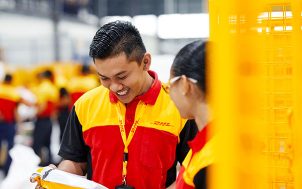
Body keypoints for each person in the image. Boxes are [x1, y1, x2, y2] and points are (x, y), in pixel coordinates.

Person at [33, 20, 197, 189]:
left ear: (145, 62)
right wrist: (57, 179)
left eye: (122, 76)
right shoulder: (86, 105)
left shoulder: (178, 106)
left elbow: (193, 171)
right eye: (104, 78)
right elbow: (75, 160)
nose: (114, 87)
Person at [168, 40, 214, 189]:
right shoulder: (205, 143)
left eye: (170, 86)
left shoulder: (212, 161)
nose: (168, 93)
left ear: (184, 85)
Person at [0, 73, 33, 176]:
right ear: (11, 81)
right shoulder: (14, 93)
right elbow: (23, 105)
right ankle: (7, 170)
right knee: (10, 147)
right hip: (10, 124)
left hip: (2, 123)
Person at [32, 69, 59, 166]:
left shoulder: (42, 87)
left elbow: (42, 105)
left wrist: (33, 114)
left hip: (42, 119)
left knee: (37, 144)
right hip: (49, 120)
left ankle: (37, 165)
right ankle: (49, 165)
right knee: (47, 144)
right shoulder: (53, 88)